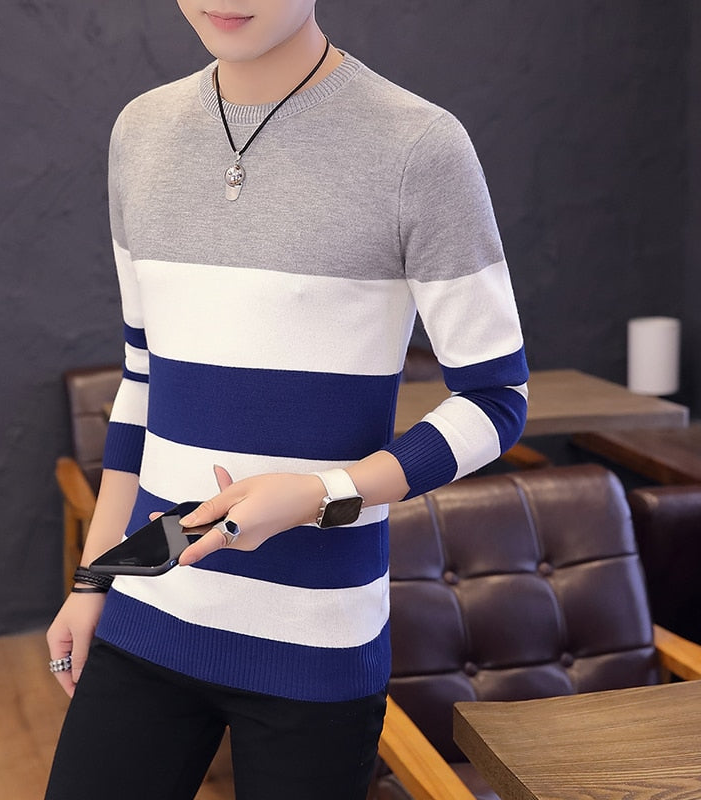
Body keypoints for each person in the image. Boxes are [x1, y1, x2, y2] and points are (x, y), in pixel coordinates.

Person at [45, 2, 529, 798]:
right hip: (150, 607)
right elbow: (144, 376)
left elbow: (496, 398)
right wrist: (94, 577)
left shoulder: (419, 146)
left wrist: (320, 493)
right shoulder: (141, 132)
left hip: (317, 644)